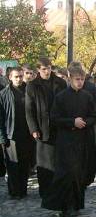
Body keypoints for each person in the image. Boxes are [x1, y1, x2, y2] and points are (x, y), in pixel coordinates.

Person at [42, 63, 96, 217]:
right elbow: (54, 119)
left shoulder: (87, 96)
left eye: (82, 79)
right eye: (77, 79)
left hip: (83, 140)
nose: (79, 82)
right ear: (70, 79)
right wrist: (72, 122)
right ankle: (65, 206)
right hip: (66, 141)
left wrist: (85, 122)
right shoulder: (61, 97)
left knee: (79, 174)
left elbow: (94, 116)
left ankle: (77, 205)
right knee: (67, 174)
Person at [25, 57, 67, 198]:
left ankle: (58, 190)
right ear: (38, 70)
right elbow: (29, 110)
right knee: (44, 163)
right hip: (42, 129)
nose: (47, 71)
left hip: (59, 126)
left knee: (59, 162)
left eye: (49, 68)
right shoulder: (32, 85)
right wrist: (34, 129)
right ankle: (46, 192)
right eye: (44, 69)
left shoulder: (60, 83)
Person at [0, 67, 35, 199]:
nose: (19, 79)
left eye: (21, 76)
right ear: (10, 77)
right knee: (13, 165)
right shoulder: (3, 94)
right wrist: (2, 137)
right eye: (16, 77)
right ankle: (14, 191)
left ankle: (23, 189)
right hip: (11, 134)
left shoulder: (29, 91)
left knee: (25, 163)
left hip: (27, 133)